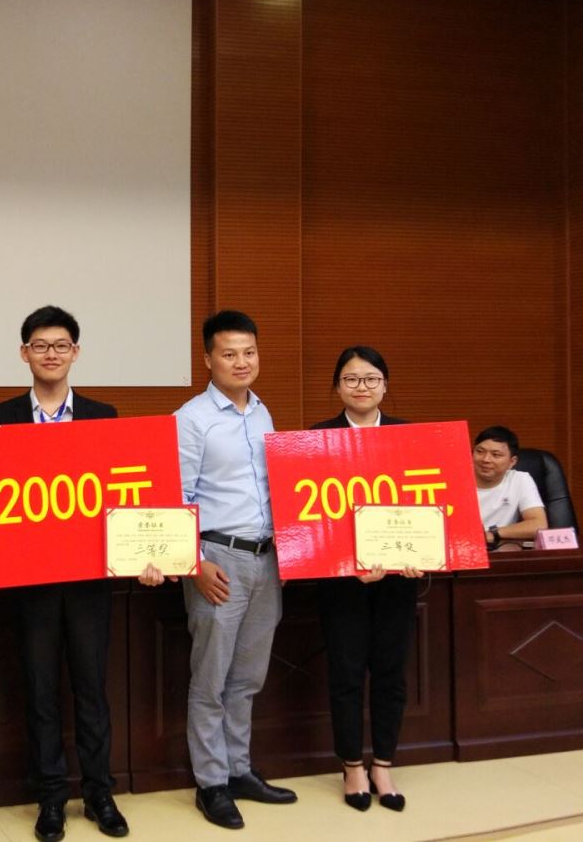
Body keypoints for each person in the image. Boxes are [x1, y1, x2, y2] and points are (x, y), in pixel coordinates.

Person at [0, 305, 137, 841]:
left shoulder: (103, 415)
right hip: (31, 581)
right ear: (24, 353)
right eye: (41, 345)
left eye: (61, 345)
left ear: (76, 352)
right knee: (40, 690)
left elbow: (124, 491)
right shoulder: (0, 418)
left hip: (90, 577)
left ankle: (99, 793)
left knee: (92, 689)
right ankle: (50, 797)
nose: (51, 354)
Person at [175, 310, 296, 831]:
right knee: (211, 679)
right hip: (217, 560)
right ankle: (211, 783)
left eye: (249, 352)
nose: (241, 362)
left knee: (247, 678)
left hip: (267, 559)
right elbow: (176, 497)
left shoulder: (263, 412)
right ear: (208, 359)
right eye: (229, 354)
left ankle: (239, 770)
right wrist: (194, 564)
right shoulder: (191, 418)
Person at [309, 345, 420, 814]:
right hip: (342, 581)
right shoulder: (316, 439)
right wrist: (346, 561)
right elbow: (310, 517)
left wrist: (419, 554)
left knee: (391, 672)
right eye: (351, 379)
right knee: (347, 672)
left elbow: (425, 502)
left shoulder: (410, 437)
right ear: (337, 387)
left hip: (398, 578)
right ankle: (352, 764)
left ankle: (384, 763)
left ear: (385, 386)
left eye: (371, 379)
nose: (362, 387)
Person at [471, 425, 548, 551]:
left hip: (499, 551)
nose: (486, 459)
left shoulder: (519, 479)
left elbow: (538, 524)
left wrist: (491, 534)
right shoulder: (453, 480)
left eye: (496, 455)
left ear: (512, 462)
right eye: (480, 452)